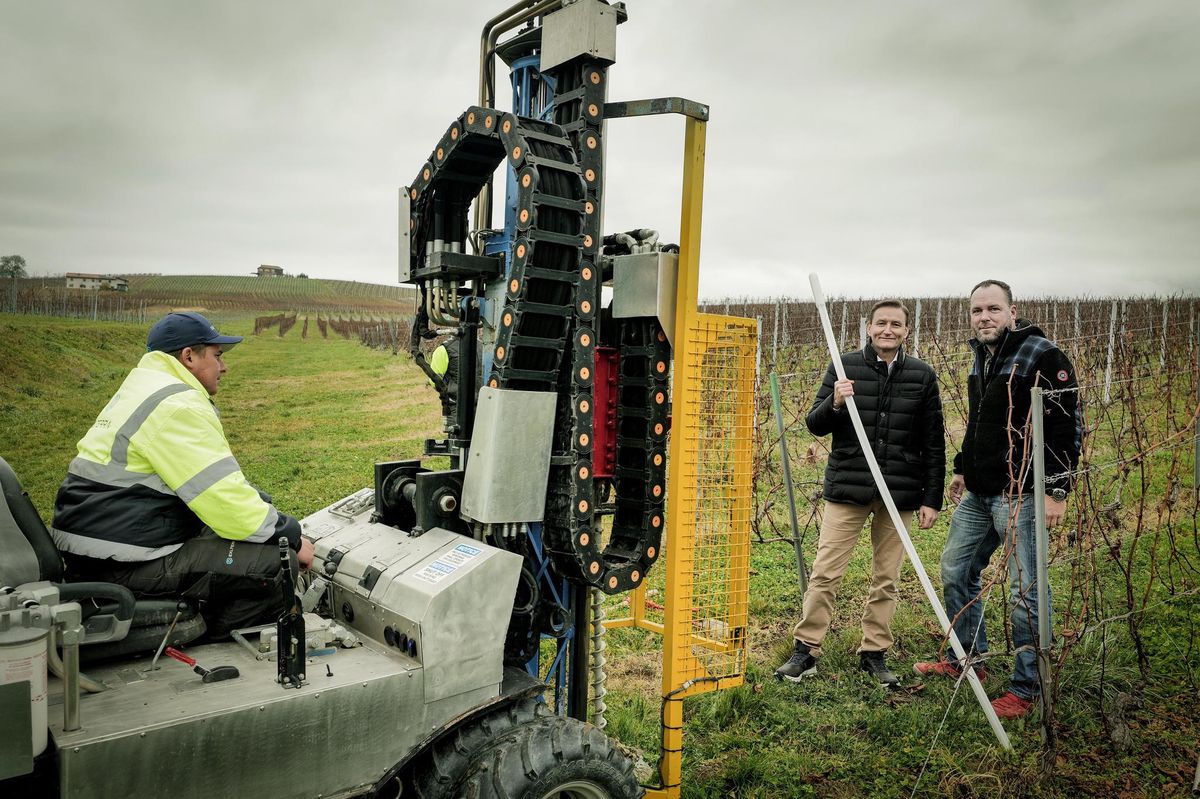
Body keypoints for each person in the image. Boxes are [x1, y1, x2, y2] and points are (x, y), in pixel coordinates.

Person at [51, 311, 314, 639]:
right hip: (121, 562)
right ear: (188, 357)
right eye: (217, 356)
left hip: (94, 548)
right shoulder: (178, 405)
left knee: (238, 538)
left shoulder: (144, 388)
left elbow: (205, 483)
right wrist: (289, 534)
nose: (224, 367)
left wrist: (264, 507)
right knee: (277, 563)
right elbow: (228, 505)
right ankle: (216, 645)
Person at [915, 279, 1081, 719]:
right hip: (981, 491)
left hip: (1023, 490)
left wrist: (1057, 490)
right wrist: (962, 466)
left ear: (1012, 310)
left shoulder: (1042, 355)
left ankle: (1028, 688)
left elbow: (1066, 425)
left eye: (992, 309)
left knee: (1025, 590)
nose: (984, 317)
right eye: (976, 311)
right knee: (955, 568)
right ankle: (968, 659)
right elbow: (982, 422)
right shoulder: (982, 355)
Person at [775, 300, 945, 690]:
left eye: (896, 324)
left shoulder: (922, 375)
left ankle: (874, 652)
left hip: (899, 493)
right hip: (848, 488)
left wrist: (931, 497)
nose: (888, 329)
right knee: (826, 572)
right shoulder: (845, 365)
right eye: (881, 323)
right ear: (869, 328)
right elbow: (815, 425)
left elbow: (933, 441)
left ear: (906, 331)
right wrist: (835, 401)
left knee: (887, 578)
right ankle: (806, 650)